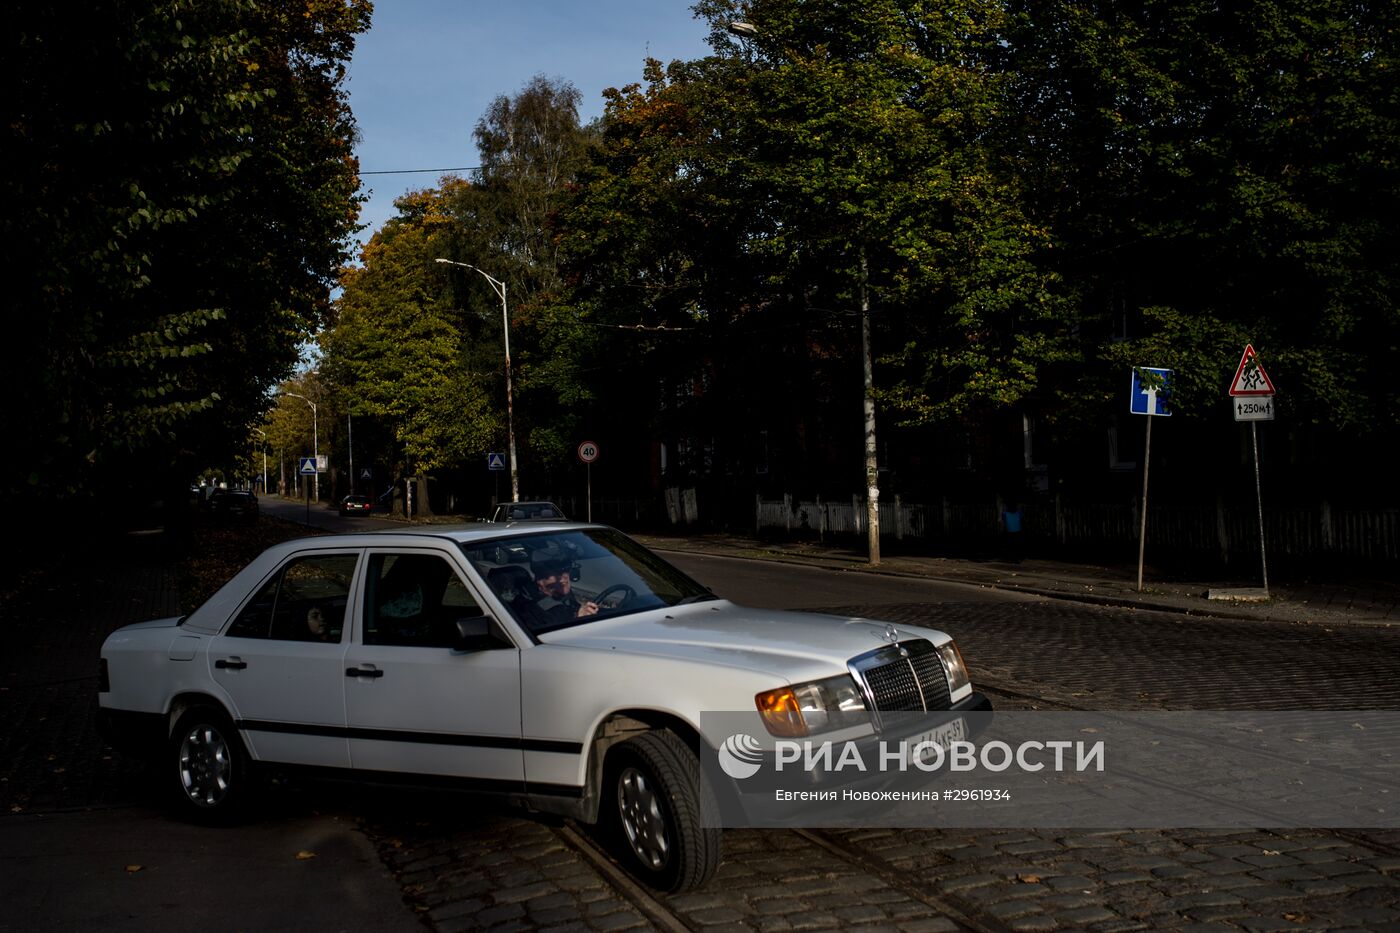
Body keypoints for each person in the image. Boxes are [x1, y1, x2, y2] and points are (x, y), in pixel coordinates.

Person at [530, 555, 598, 627]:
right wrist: (578, 619)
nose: (565, 575)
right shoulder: (532, 609)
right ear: (540, 581)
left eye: (567, 569)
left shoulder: (562, 594)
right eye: (556, 572)